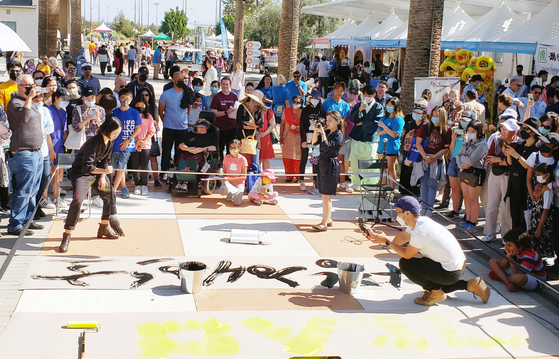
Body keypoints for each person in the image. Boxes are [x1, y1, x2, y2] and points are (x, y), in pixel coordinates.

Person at [365, 196, 490, 306]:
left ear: (407, 213)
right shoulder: (420, 222)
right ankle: (469, 285)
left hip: (451, 272)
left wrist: (386, 242)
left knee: (406, 264)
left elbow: (406, 254)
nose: (396, 215)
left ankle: (435, 292)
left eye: (398, 212)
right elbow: (398, 240)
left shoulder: (419, 232)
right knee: (424, 268)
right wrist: (379, 237)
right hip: (457, 267)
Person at [59, 117, 122, 252]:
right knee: (77, 199)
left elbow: (106, 160)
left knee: (109, 194)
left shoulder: (110, 142)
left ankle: (104, 227)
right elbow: (87, 166)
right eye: (115, 132)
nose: (117, 135)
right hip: (81, 174)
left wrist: (103, 176)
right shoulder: (93, 142)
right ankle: (67, 234)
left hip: (97, 174)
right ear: (108, 130)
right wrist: (103, 171)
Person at [6, 75, 44, 236]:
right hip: (23, 153)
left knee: (33, 189)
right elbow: (25, 117)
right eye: (26, 85)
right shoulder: (15, 102)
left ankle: (28, 219)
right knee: (24, 189)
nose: (30, 87)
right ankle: (15, 223)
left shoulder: (31, 102)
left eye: (32, 84)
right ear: (19, 86)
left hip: (35, 152)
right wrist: (29, 98)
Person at [482, 119, 522, 243]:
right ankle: (489, 232)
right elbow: (489, 158)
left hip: (509, 177)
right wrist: (503, 161)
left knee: (506, 207)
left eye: (506, 129)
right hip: (495, 174)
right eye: (502, 128)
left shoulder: (519, 144)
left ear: (514, 132)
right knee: (491, 205)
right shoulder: (496, 140)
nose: (503, 131)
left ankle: (506, 235)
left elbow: (514, 164)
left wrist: (498, 160)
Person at [503, 118, 542, 229]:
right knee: (514, 215)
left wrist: (516, 155)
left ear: (533, 132)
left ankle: (524, 243)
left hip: (525, 187)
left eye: (525, 129)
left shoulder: (537, 148)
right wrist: (509, 153)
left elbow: (529, 166)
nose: (522, 130)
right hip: (514, 184)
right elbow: (510, 163)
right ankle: (515, 242)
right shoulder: (520, 145)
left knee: (524, 218)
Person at [415, 106, 451, 216]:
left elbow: (446, 147)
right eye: (433, 116)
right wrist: (425, 156)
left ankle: (429, 208)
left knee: (432, 184)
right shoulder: (425, 127)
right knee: (423, 183)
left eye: (437, 116)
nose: (435, 118)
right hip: (424, 158)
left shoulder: (447, 130)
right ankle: (424, 206)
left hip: (437, 160)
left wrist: (435, 156)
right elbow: (418, 143)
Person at [312, 111, 343, 232]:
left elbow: (326, 146)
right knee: (324, 195)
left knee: (326, 196)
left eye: (330, 120)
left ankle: (324, 223)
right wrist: (316, 130)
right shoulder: (329, 133)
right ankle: (328, 219)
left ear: (337, 122)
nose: (327, 122)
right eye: (327, 120)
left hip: (331, 165)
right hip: (323, 163)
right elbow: (314, 142)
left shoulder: (338, 135)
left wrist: (323, 133)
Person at [456, 119, 488, 232]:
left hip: (476, 173)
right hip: (465, 171)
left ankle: (472, 223)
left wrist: (464, 161)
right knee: (467, 197)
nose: (470, 132)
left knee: (473, 199)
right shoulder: (467, 142)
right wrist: (463, 163)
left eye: (473, 130)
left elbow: (471, 160)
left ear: (479, 131)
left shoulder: (482, 144)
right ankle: (467, 220)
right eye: (468, 130)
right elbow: (458, 156)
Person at [348, 85, 383, 185]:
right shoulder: (358, 105)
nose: (366, 97)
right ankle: (356, 182)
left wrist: (362, 123)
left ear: (374, 95)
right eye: (365, 95)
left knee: (370, 160)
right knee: (355, 160)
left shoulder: (378, 107)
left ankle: (370, 182)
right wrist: (359, 111)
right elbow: (353, 120)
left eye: (369, 95)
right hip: (357, 136)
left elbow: (376, 122)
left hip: (371, 138)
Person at [158, 67, 190, 178]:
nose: (181, 81)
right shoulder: (166, 94)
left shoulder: (187, 93)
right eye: (179, 79)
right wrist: (164, 120)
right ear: (173, 81)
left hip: (182, 127)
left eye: (183, 78)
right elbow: (161, 109)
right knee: (166, 150)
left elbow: (189, 108)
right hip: (169, 127)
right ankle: (164, 171)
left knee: (180, 150)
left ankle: (178, 171)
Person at [112, 89, 142, 198]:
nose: (125, 101)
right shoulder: (115, 112)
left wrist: (129, 139)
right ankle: (124, 187)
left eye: (128, 99)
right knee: (118, 167)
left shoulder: (134, 112)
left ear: (131, 99)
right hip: (116, 143)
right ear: (119, 98)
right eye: (123, 98)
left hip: (128, 144)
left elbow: (138, 129)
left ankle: (113, 191)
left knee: (120, 166)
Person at [323, 81, 351, 192]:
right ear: (333, 90)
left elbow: (344, 123)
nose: (339, 93)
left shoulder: (345, 105)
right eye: (337, 90)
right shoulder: (327, 104)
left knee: (340, 159)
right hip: (328, 136)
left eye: (341, 91)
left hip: (340, 136)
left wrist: (342, 138)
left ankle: (342, 182)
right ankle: (329, 182)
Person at [48, 88, 71, 209]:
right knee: (49, 170)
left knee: (59, 170)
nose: (65, 101)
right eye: (63, 99)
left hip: (61, 144)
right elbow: (47, 132)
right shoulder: (48, 111)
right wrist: (51, 148)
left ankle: (57, 197)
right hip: (51, 144)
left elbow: (64, 130)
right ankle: (45, 197)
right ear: (56, 98)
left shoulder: (64, 112)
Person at [129, 95, 156, 196]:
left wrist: (143, 142)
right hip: (133, 143)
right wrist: (137, 141)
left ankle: (144, 185)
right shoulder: (131, 115)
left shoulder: (149, 116)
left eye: (142, 105)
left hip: (146, 144)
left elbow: (151, 131)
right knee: (135, 165)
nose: (140, 107)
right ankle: (137, 184)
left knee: (144, 165)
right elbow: (130, 130)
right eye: (138, 105)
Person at [300, 90, 326, 193]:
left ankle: (315, 183)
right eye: (313, 98)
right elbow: (301, 125)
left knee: (316, 160)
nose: (315, 100)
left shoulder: (322, 110)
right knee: (304, 159)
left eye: (317, 99)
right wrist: (303, 140)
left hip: (317, 137)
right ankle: (301, 180)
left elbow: (324, 125)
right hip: (307, 135)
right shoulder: (305, 110)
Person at [400, 101, 428, 197]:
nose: (415, 114)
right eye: (414, 112)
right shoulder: (409, 124)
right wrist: (404, 147)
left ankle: (416, 194)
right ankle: (406, 193)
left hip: (418, 153)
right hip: (408, 152)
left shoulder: (426, 126)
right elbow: (405, 137)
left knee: (417, 175)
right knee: (407, 172)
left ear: (424, 115)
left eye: (418, 113)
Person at [377, 97, 405, 189]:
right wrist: (386, 130)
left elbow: (394, 134)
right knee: (382, 169)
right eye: (388, 105)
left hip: (392, 147)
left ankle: (391, 189)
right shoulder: (384, 117)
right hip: (382, 146)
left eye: (391, 105)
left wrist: (384, 127)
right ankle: (383, 188)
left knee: (391, 169)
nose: (389, 107)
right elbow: (379, 131)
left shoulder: (399, 120)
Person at [210, 77, 238, 162]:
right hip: (221, 127)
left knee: (231, 147)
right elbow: (214, 112)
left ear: (230, 85)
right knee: (220, 147)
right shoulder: (217, 97)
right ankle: (220, 163)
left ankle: (229, 163)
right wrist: (225, 112)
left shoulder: (234, 96)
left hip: (232, 126)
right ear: (221, 85)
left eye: (227, 84)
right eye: (223, 84)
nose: (225, 86)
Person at [280, 95, 303, 182]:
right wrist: (281, 136)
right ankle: (289, 175)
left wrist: (299, 128)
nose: (296, 104)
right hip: (287, 137)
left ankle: (298, 176)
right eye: (294, 102)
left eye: (298, 102)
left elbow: (306, 125)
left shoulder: (303, 112)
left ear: (301, 103)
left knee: (298, 157)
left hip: (299, 138)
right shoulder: (286, 111)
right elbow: (282, 124)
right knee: (287, 157)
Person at [220, 139, 248, 206]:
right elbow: (225, 172)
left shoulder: (243, 160)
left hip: (239, 184)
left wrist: (229, 179)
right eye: (231, 147)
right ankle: (230, 192)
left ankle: (236, 193)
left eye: (234, 147)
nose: (232, 149)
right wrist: (224, 178)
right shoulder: (227, 158)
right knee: (222, 191)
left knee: (237, 203)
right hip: (229, 183)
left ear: (239, 148)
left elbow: (244, 177)